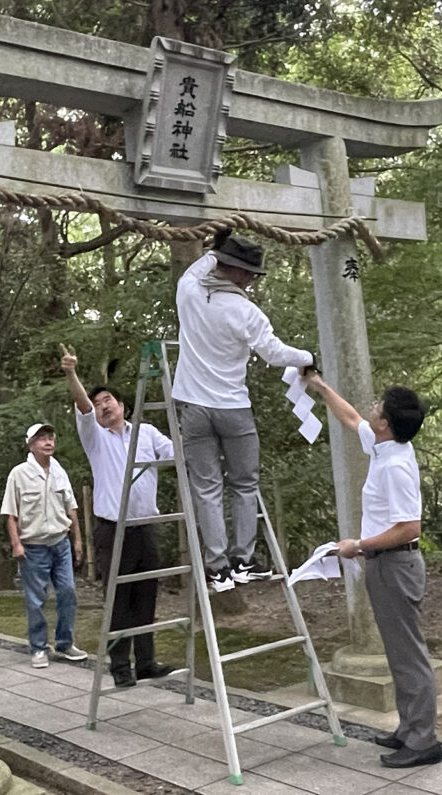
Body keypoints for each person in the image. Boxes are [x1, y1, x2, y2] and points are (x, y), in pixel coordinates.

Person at [303, 372, 442, 769]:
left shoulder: (395, 466)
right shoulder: (384, 446)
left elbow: (409, 527)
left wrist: (357, 546)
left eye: (380, 405)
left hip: (397, 565)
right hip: (384, 567)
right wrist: (319, 385)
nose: (373, 406)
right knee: (398, 654)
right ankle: (408, 729)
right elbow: (350, 418)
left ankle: (424, 740)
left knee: (409, 655)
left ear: (386, 422)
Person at [172, 228, 316, 593]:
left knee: (207, 488)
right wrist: (308, 358)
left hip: (194, 406)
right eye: (249, 272)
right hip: (233, 406)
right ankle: (242, 560)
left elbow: (198, 266)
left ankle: (217, 568)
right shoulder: (246, 311)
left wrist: (218, 245)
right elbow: (274, 353)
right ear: (236, 271)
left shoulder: (188, 291)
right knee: (244, 483)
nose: (252, 279)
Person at [60, 344, 175, 688]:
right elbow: (81, 404)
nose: (102, 406)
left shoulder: (147, 433)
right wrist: (71, 374)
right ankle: (120, 667)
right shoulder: (95, 437)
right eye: (97, 404)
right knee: (118, 600)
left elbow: (175, 454)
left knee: (146, 596)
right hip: (113, 530)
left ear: (122, 404)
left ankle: (146, 662)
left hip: (145, 527)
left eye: (107, 399)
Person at [0, 423, 87, 669]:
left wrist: (78, 539)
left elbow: (72, 509)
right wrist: (16, 544)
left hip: (60, 543)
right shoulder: (18, 474)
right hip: (34, 546)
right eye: (41, 439)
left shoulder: (60, 471)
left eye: (50, 437)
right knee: (36, 599)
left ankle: (65, 642)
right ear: (30, 444)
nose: (48, 442)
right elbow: (10, 513)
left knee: (68, 592)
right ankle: (38, 647)